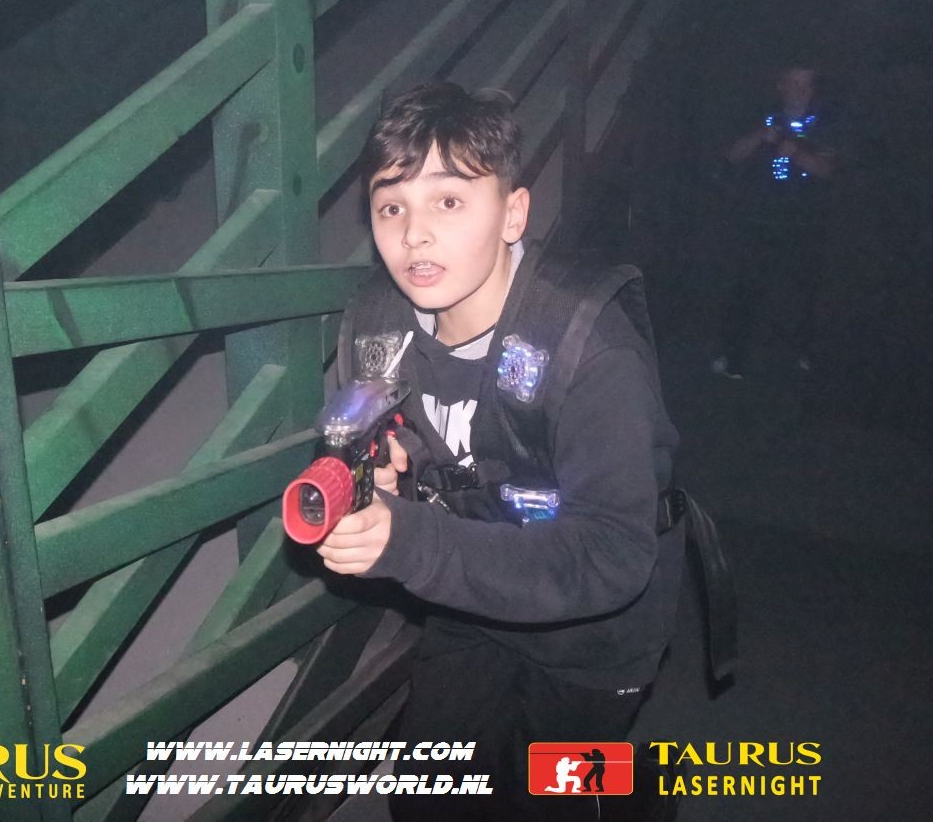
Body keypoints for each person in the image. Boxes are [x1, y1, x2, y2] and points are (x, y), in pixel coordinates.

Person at [315, 81, 685, 820]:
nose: (414, 236)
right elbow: (385, 443)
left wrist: (410, 540)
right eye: (391, 207)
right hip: (475, 592)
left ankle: (637, 789)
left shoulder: (586, 344)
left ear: (513, 213)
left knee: (557, 794)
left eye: (449, 201)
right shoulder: (380, 324)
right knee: (429, 797)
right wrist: (382, 480)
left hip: (594, 629)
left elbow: (612, 555)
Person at [711, 64, 838, 379]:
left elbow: (830, 170)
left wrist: (796, 154)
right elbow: (732, 155)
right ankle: (734, 356)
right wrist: (760, 136)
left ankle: (804, 356)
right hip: (761, 217)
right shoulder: (764, 118)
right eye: (793, 83)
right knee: (748, 286)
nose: (799, 92)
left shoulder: (822, 124)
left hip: (805, 220)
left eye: (805, 85)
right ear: (780, 85)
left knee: (805, 291)